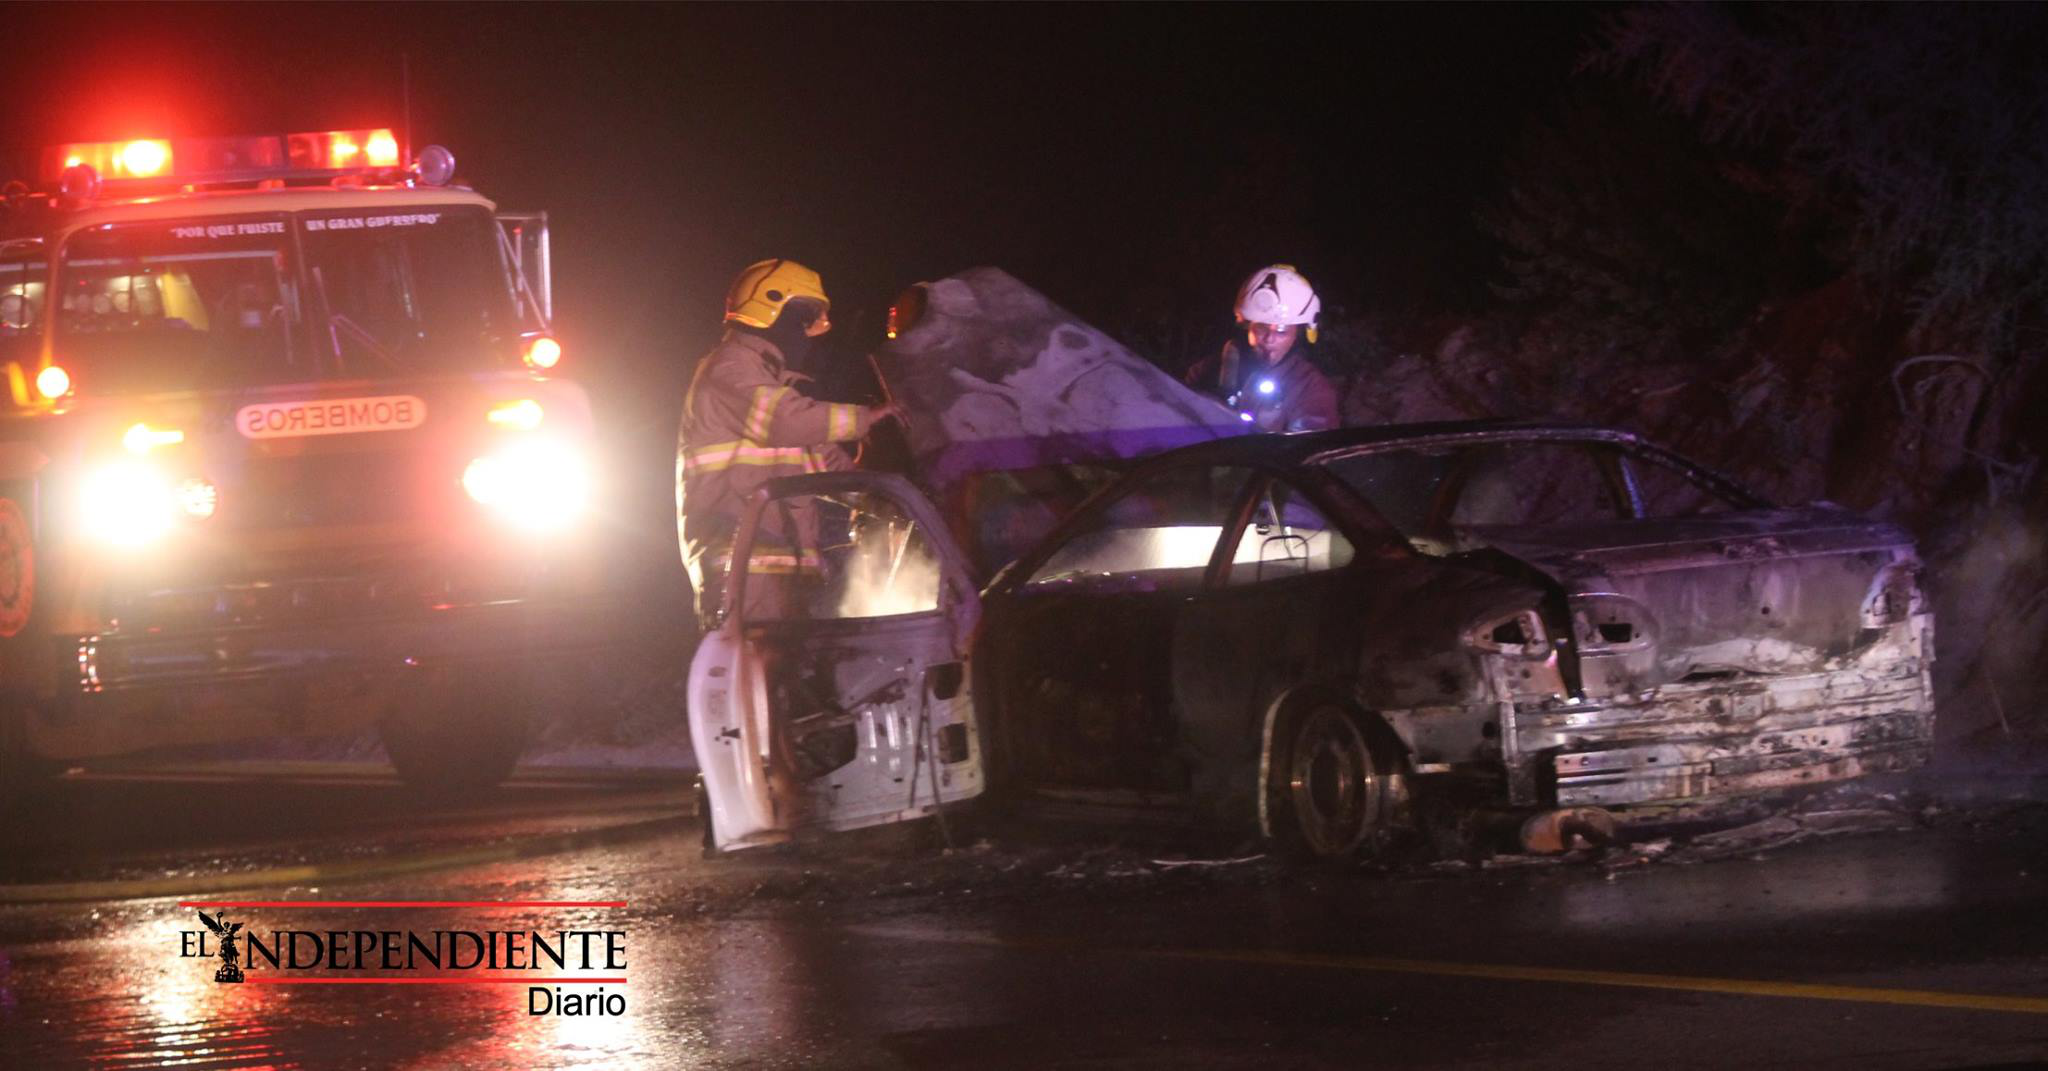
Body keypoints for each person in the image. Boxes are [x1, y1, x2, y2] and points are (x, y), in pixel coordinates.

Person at [677, 258, 900, 625]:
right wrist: (865, 418)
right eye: (799, 321)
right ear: (769, 308)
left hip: (786, 570)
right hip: (743, 567)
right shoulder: (728, 368)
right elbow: (785, 420)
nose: (804, 337)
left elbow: (826, 467)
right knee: (756, 674)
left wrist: (886, 493)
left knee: (792, 677)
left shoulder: (776, 389)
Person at [1184, 264, 1339, 433]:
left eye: (1281, 331)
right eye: (1261, 328)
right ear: (1246, 325)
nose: (1269, 338)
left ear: (1298, 334)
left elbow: (1308, 450)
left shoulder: (1310, 388)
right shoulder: (1208, 369)